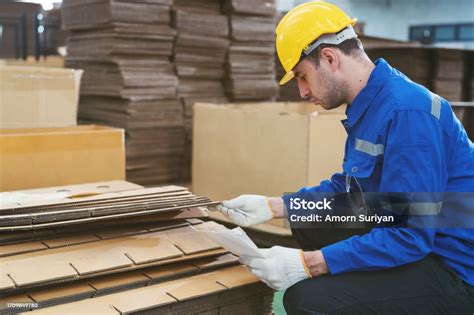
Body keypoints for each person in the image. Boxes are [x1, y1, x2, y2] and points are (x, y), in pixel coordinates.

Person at [217, 2, 474, 314]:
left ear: (329, 57)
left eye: (302, 76)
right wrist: (275, 206)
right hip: (419, 233)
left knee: (308, 301)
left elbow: (411, 234)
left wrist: (311, 264)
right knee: (311, 225)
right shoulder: (370, 105)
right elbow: (355, 195)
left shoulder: (409, 112)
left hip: (454, 268)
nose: (302, 91)